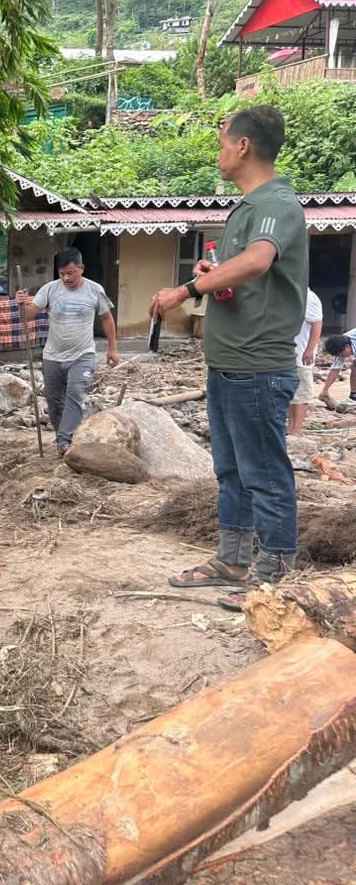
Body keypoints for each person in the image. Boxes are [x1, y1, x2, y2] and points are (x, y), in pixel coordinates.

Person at [150, 106, 307, 611]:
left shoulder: (276, 203)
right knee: (233, 472)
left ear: (243, 146)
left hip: (258, 366)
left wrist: (188, 287)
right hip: (228, 364)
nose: (219, 152)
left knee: (264, 471)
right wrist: (213, 272)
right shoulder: (247, 207)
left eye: (222, 142)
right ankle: (233, 560)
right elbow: (245, 271)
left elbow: (259, 261)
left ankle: (274, 576)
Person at [16, 249, 120, 456]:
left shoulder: (94, 290)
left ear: (81, 268)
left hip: (82, 355)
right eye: (62, 273)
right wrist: (21, 304)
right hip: (52, 357)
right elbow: (27, 316)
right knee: (55, 405)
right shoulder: (50, 289)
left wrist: (112, 349)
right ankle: (63, 439)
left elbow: (107, 318)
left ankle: (64, 442)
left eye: (71, 273)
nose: (66, 278)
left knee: (74, 395)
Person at [287, 288, 324, 435]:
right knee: (292, 395)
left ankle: (296, 430)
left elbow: (317, 323)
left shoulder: (308, 297)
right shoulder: (293, 294)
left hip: (302, 356)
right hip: (291, 355)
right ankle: (290, 428)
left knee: (302, 395)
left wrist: (309, 350)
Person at [319, 328, 356, 407]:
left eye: (341, 355)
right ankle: (354, 397)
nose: (341, 357)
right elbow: (335, 370)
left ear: (347, 347)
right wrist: (325, 390)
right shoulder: (340, 344)